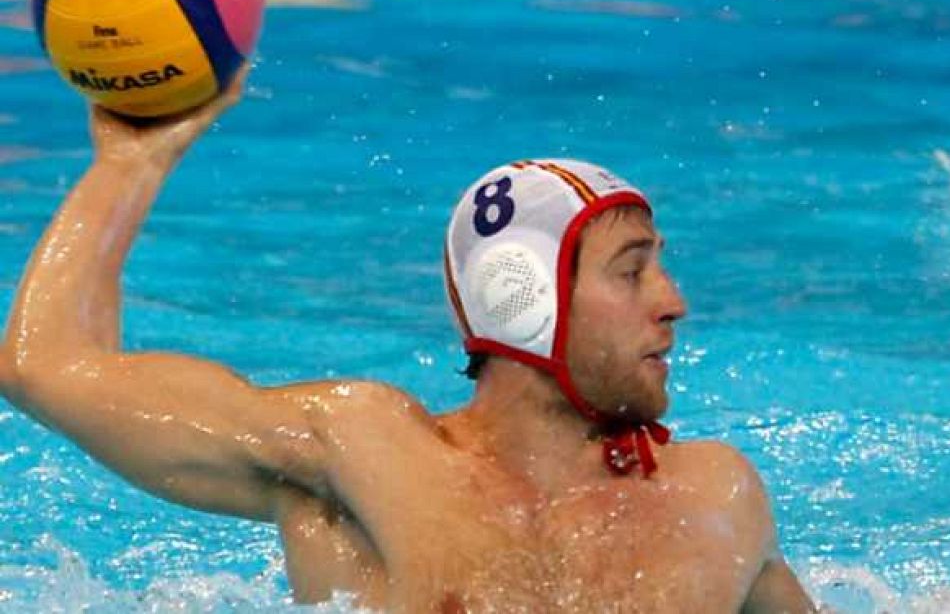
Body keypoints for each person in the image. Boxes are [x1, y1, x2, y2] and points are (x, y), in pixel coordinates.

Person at [0, 72, 815, 613]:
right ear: (521, 296)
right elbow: (47, 367)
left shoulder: (714, 497)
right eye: (633, 272)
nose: (673, 303)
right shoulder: (362, 455)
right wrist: (134, 162)